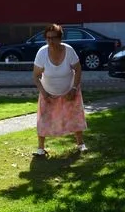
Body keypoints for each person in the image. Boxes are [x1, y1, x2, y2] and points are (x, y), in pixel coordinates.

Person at [32, 24, 87, 156]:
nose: (51, 41)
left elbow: (78, 69)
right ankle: (40, 149)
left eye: (54, 38)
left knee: (75, 117)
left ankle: (81, 144)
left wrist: (74, 88)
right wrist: (44, 93)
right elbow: (36, 76)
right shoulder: (42, 53)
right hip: (48, 92)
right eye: (48, 38)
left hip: (69, 91)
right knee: (43, 120)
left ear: (60, 38)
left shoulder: (69, 50)